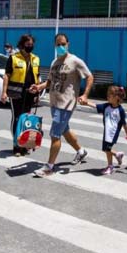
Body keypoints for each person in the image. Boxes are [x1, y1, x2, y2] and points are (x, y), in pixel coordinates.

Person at [30, 33, 94, 177]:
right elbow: (50, 82)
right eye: (58, 44)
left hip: (66, 104)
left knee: (55, 134)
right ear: (55, 45)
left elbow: (90, 77)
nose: (60, 46)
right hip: (54, 103)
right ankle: (81, 151)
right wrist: (39, 87)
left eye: (63, 44)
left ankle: (49, 167)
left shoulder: (75, 61)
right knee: (65, 130)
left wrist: (85, 95)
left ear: (68, 44)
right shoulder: (55, 62)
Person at [1, 34, 40, 156]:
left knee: (27, 119)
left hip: (30, 93)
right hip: (15, 93)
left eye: (32, 44)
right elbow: (7, 75)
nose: (30, 46)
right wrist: (4, 92)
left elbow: (37, 76)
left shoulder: (36, 59)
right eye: (28, 44)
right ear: (22, 44)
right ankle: (16, 145)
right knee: (17, 118)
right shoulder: (13, 58)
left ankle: (24, 144)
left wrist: (38, 91)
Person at [80, 86, 127, 175]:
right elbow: (95, 105)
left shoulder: (120, 110)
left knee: (107, 149)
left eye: (109, 96)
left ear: (116, 97)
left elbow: (124, 123)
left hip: (113, 133)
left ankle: (111, 164)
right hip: (106, 132)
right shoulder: (106, 106)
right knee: (106, 149)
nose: (107, 97)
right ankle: (116, 156)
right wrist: (86, 103)